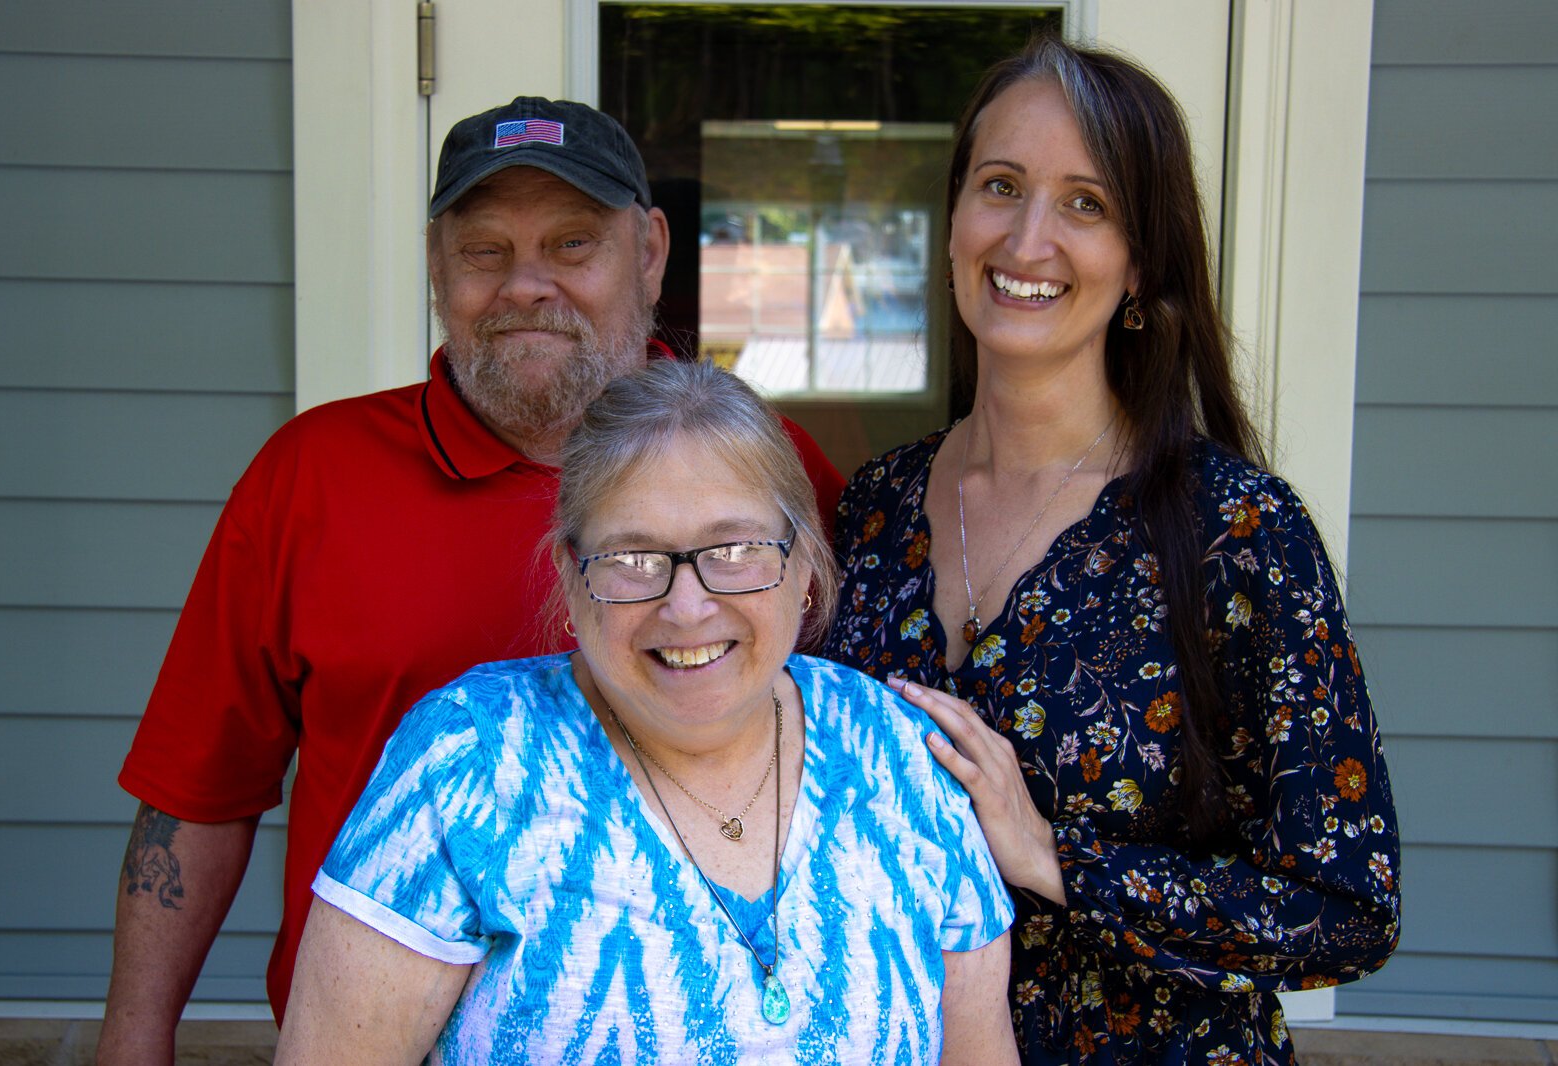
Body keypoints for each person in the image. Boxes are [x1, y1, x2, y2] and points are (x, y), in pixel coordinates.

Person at [98, 97, 845, 1062]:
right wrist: (134, 1033)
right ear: (436, 265)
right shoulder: (311, 477)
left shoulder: (767, 473)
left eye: (573, 244)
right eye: (485, 251)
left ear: (650, 252)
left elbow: (846, 749)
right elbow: (199, 788)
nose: (526, 285)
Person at [824, 36, 1400, 1065]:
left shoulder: (1239, 532)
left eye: (1084, 203)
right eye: (999, 186)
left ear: (1139, 262)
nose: (1028, 236)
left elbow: (1347, 908)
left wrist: (1054, 857)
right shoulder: (871, 510)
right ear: (955, 219)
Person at [274, 358, 1018, 1064]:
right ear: (570, 579)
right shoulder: (470, 758)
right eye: (632, 560)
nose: (687, 607)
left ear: (802, 567)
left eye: (734, 548)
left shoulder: (902, 758)